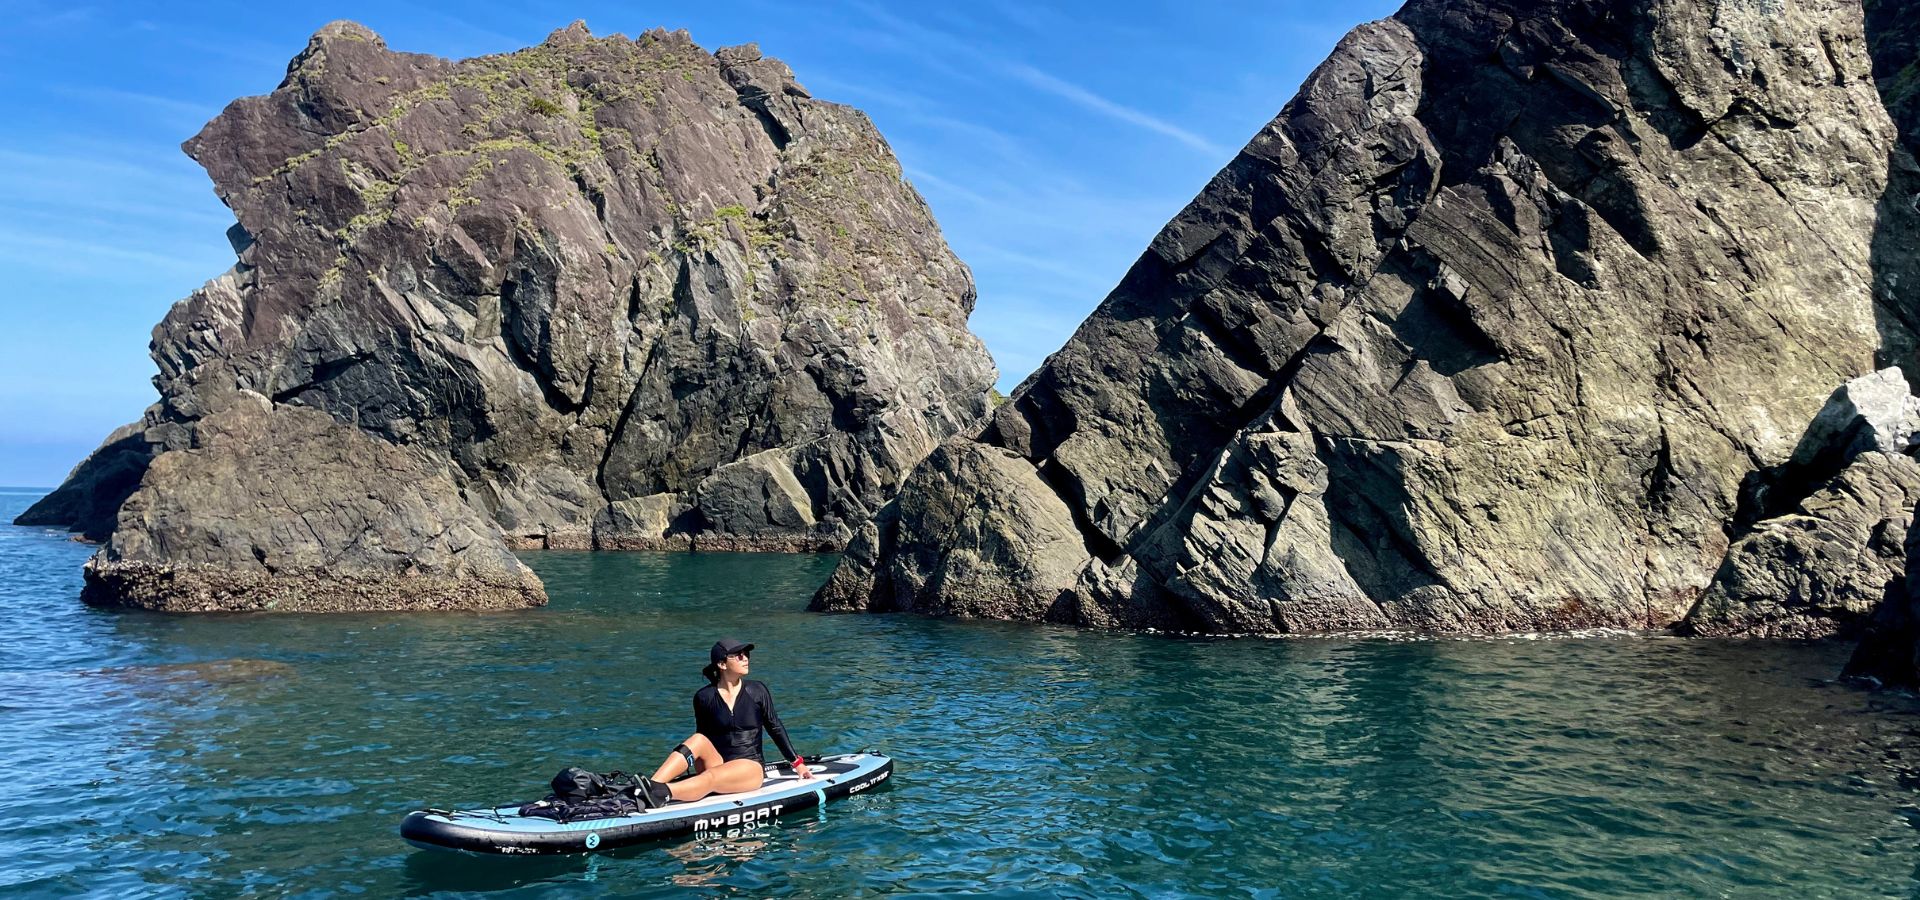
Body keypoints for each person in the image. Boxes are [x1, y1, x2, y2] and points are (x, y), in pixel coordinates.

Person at [635, 638, 813, 808]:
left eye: (746, 654)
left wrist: (797, 764)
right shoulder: (704, 697)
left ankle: (664, 792)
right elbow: (703, 738)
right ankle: (650, 786)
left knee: (712, 776)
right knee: (698, 739)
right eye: (738, 655)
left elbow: (775, 727)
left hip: (749, 767)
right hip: (718, 763)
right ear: (722, 664)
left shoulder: (757, 691)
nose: (745, 658)